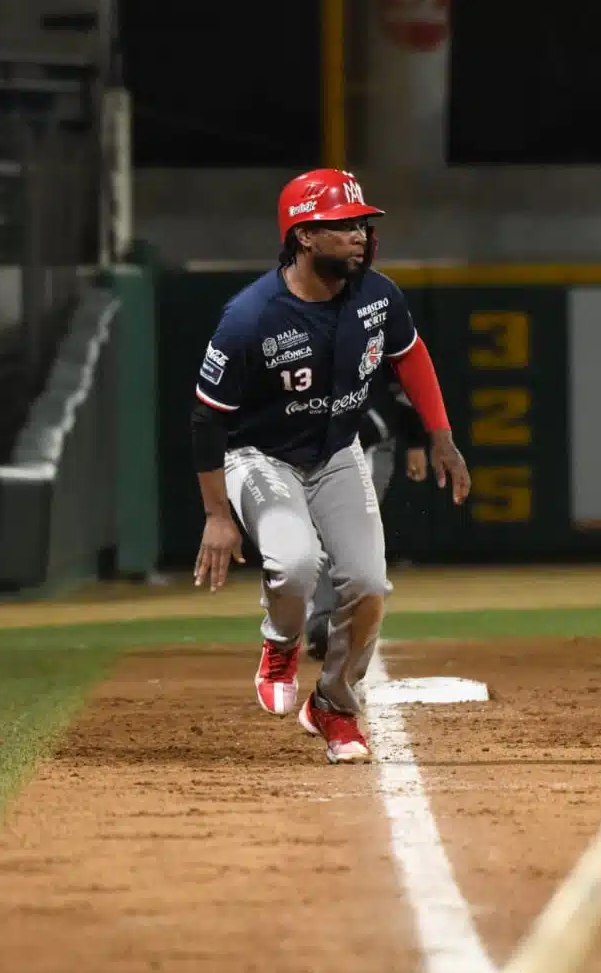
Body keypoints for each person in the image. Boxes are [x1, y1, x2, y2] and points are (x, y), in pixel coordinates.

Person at [191, 168, 471, 764]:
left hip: (337, 451)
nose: (360, 235)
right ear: (303, 237)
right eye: (343, 225)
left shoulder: (377, 295)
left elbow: (411, 356)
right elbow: (206, 419)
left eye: (362, 224)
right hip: (259, 455)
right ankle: (280, 642)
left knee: (368, 585)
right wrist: (218, 515)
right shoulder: (250, 318)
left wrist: (440, 436)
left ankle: (333, 707)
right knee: (295, 562)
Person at [304, 372, 429, 662]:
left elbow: (406, 382)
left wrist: (416, 442)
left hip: (368, 437)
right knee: (321, 533)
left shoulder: (381, 326)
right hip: (315, 437)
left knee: (351, 532)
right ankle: (325, 624)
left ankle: (341, 623)